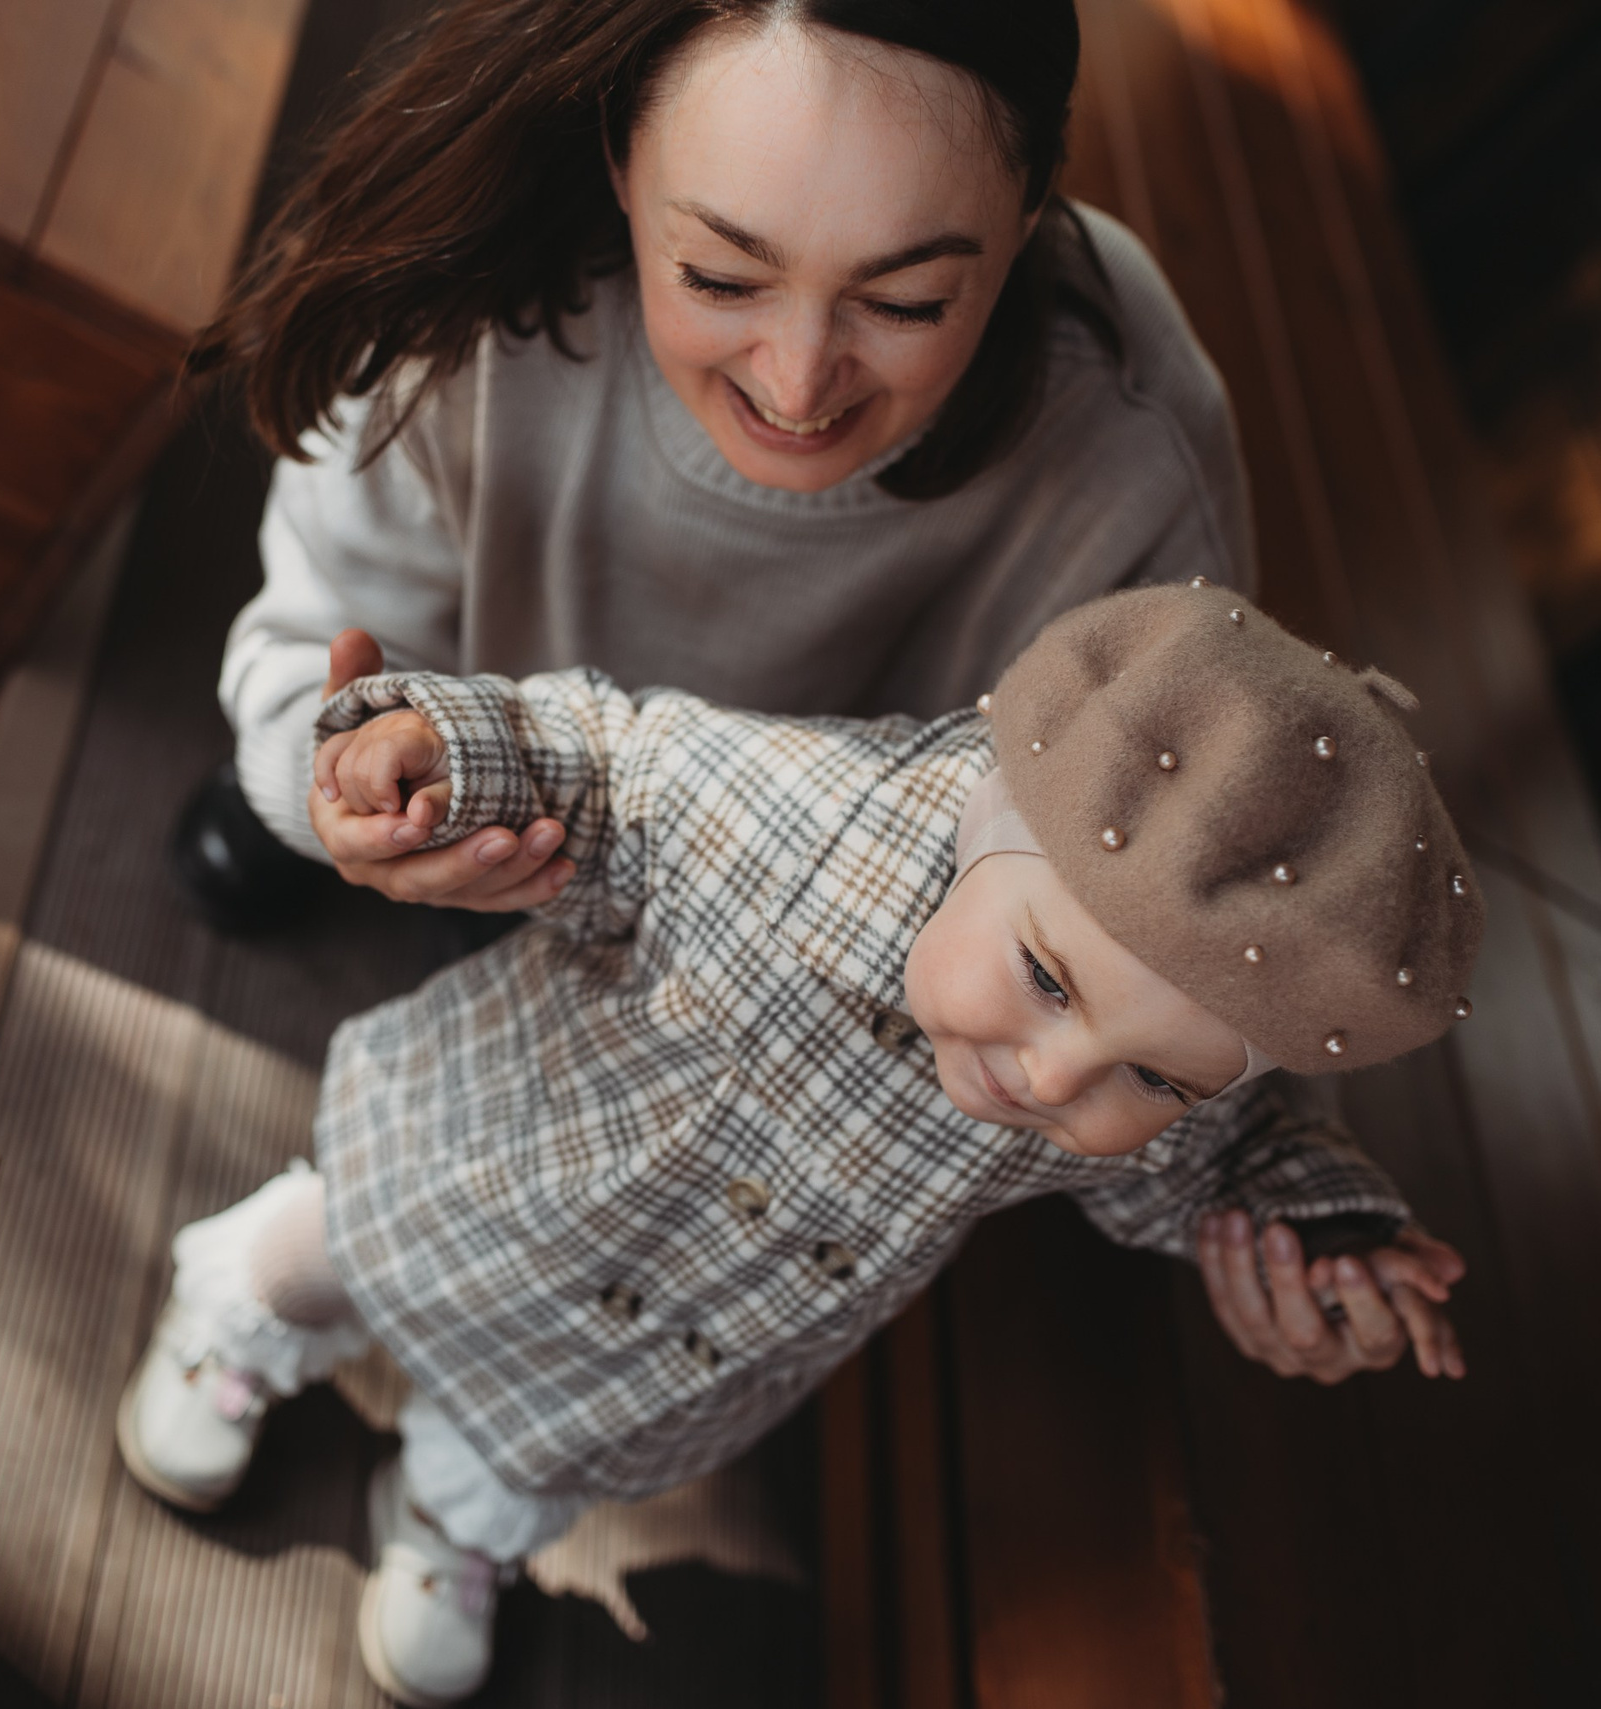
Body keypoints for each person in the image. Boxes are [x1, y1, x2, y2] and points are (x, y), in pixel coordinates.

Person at [120, 582, 1481, 1705]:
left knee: (538, 1445)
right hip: (493, 1154)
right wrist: (444, 755)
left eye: (1153, 1076)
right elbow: (607, 761)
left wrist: (1319, 1233)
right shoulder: (800, 823)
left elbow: (1224, 1163)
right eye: (1049, 980)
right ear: (989, 821)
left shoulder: (1158, 1093)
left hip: (685, 1328)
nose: (1055, 1075)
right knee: (342, 1236)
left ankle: (449, 1520)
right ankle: (235, 1315)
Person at [176, 0, 1256, 931]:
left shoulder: (1133, 432)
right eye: (722, 277)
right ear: (619, 158)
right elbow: (310, 639)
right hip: (492, 803)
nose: (795, 388)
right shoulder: (469, 294)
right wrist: (336, 788)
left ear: (1027, 216)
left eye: (903, 303)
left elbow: (1169, 853)